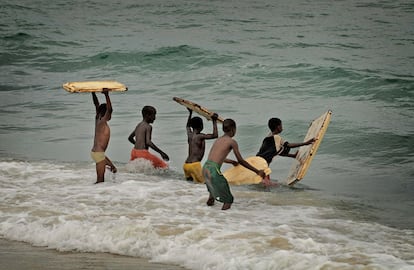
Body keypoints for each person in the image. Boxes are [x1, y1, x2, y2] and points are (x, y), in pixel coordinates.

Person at [203, 119, 266, 210]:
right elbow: (241, 160)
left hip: (205, 168)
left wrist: (232, 162)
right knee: (228, 200)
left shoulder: (218, 140)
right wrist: (257, 171)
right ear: (233, 129)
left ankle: (206, 216)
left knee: (212, 196)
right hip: (214, 170)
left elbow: (217, 157)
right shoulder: (232, 142)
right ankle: (222, 221)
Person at [256, 117, 315, 184]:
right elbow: (288, 145)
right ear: (278, 127)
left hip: (258, 162)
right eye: (281, 125)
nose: (282, 127)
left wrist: (292, 156)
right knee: (269, 185)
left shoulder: (268, 137)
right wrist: (305, 143)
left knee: (265, 184)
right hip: (263, 165)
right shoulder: (276, 137)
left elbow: (279, 152)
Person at [183, 109, 219, 183]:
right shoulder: (200, 136)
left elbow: (187, 126)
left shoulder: (190, 134)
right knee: (204, 184)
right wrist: (214, 121)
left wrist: (190, 113)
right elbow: (215, 135)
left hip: (186, 165)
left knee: (189, 185)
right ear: (201, 126)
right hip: (194, 165)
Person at [90, 90, 117, 184]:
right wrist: (106, 95)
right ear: (105, 113)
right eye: (109, 114)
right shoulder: (102, 121)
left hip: (97, 153)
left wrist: (93, 92)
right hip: (99, 154)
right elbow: (110, 109)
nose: (110, 115)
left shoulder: (97, 118)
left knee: (114, 169)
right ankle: (91, 194)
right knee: (100, 181)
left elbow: (96, 104)